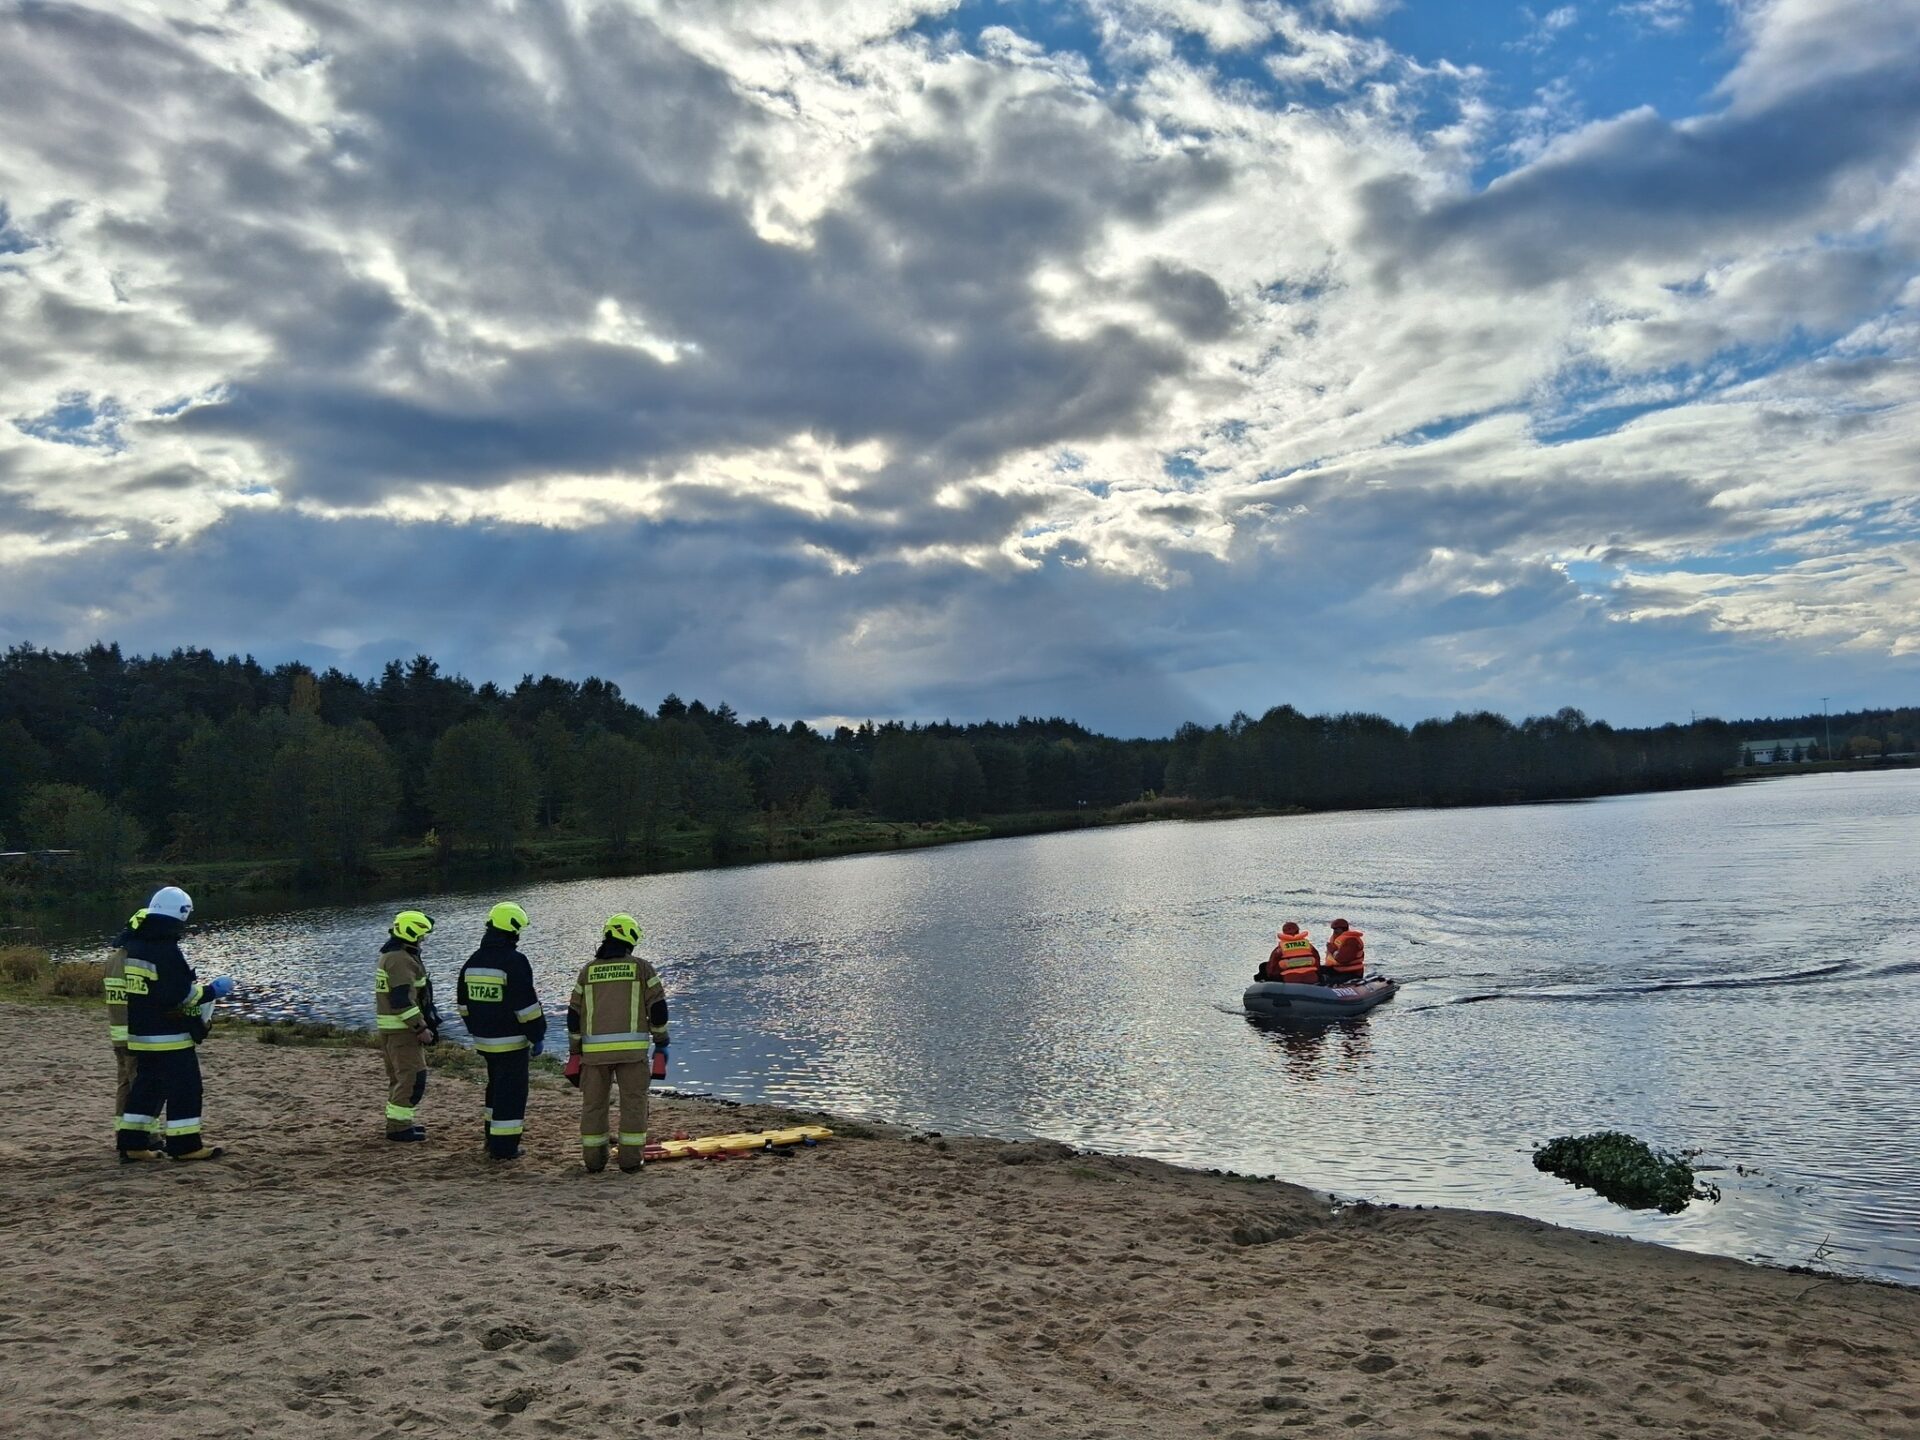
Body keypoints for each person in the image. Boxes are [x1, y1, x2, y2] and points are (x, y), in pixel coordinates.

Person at [116, 886, 235, 1163]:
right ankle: (186, 1146)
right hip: (169, 1036)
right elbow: (181, 996)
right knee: (186, 1088)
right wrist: (212, 992)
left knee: (147, 1089)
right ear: (180, 914)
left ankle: (132, 1144)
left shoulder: (135, 943)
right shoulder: (164, 947)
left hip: (142, 1034)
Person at [566, 914, 670, 1174]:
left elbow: (573, 1016)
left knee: (594, 1107)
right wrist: (661, 1041)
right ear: (631, 940)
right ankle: (631, 1161)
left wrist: (575, 1051)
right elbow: (657, 1009)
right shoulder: (642, 969)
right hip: (632, 1053)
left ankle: (593, 1161)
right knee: (633, 1104)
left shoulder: (587, 971)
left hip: (593, 1055)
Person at [457, 902, 545, 1161]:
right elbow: (526, 1006)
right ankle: (504, 1148)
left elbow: (463, 1004)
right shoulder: (514, 961)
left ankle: (490, 1139)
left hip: (485, 1042)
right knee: (511, 1094)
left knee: (495, 1089)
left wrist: (475, 1029)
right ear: (513, 930)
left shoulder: (473, 960)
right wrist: (537, 1034)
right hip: (511, 1042)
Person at [375, 910, 442, 1142]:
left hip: (392, 1030)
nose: (423, 940)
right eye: (422, 935)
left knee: (400, 1078)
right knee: (413, 1078)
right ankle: (398, 1129)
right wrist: (421, 1028)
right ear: (412, 933)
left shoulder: (392, 955)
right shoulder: (400, 960)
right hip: (402, 1031)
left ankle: (399, 1124)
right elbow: (401, 1000)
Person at [104, 907, 161, 1151]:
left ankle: (122, 1133)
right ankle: (145, 1137)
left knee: (125, 1085)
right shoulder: (136, 961)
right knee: (144, 1088)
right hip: (137, 1037)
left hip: (118, 1036)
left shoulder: (113, 959)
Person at [1323, 918, 1366, 984]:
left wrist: (1333, 949)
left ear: (1343, 929)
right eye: (1334, 930)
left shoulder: (1352, 941)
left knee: (1328, 981)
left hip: (1352, 973)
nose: (1334, 932)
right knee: (1317, 971)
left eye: (1336, 930)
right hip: (1337, 970)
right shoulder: (1336, 939)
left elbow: (1343, 959)